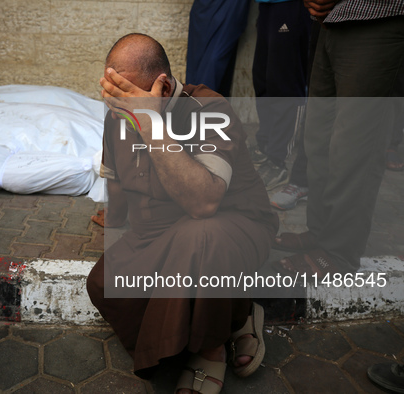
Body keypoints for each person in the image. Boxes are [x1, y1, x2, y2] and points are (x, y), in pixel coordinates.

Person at [86, 33, 278, 393]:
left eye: (129, 94)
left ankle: (211, 347)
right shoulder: (117, 117)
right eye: (114, 93)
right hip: (159, 237)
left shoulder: (209, 109)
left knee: (199, 236)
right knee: (102, 282)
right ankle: (238, 314)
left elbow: (203, 203)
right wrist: (113, 222)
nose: (119, 105)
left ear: (162, 85)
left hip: (230, 228)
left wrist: (151, 125)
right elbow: (115, 182)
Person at [273, 1, 404, 274]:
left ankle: (339, 253)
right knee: (318, 139)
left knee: (355, 145)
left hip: (377, 16)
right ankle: (320, 234)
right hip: (329, 21)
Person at [250, 0, 312, 190]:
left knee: (285, 84)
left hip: (292, 5)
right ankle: (265, 146)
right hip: (267, 4)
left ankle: (277, 162)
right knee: (263, 79)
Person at [186, 0, 251, 98]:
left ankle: (201, 105)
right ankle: (196, 105)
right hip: (203, 9)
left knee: (214, 62)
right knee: (196, 65)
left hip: (230, 6)